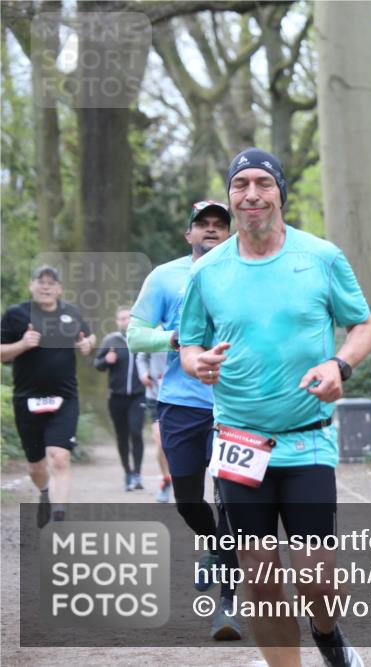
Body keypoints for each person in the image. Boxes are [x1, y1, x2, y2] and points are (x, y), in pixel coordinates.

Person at [179, 148, 371, 667]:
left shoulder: (321, 257)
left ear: (280, 192)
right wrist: (197, 363)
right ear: (230, 195)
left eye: (262, 183)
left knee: (317, 574)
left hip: (307, 435)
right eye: (240, 184)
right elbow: (189, 343)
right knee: (260, 571)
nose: (250, 194)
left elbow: (364, 325)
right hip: (239, 441)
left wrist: (340, 365)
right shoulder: (207, 272)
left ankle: (327, 632)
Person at [127, 199, 242, 641]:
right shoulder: (165, 277)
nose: (211, 230)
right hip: (181, 404)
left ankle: (226, 605)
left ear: (229, 233)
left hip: (235, 404)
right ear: (189, 234)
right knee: (188, 498)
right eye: (203, 224)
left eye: (219, 224)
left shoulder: (244, 273)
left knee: (232, 499)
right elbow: (136, 333)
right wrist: (173, 338)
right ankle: (214, 545)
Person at [1, 265, 96, 527]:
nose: (46, 286)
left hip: (64, 399)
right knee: (36, 467)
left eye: (51, 282)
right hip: (26, 399)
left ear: (59, 288)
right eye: (40, 282)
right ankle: (45, 493)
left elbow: (88, 337)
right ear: (31, 286)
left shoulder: (71, 313)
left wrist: (88, 343)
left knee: (60, 456)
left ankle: (59, 520)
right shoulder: (15, 315)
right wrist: (23, 344)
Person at [94, 306, 146, 492]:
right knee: (122, 436)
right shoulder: (111, 340)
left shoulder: (141, 339)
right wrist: (106, 360)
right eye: (121, 318)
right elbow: (97, 365)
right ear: (117, 321)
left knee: (136, 431)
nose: (125, 321)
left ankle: (138, 474)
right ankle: (128, 472)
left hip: (138, 396)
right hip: (116, 397)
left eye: (128, 318)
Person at [136, 351, 172, 502]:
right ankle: (166, 480)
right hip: (155, 394)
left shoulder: (184, 330)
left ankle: (184, 479)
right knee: (160, 440)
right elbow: (141, 356)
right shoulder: (153, 330)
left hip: (180, 395)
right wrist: (144, 373)